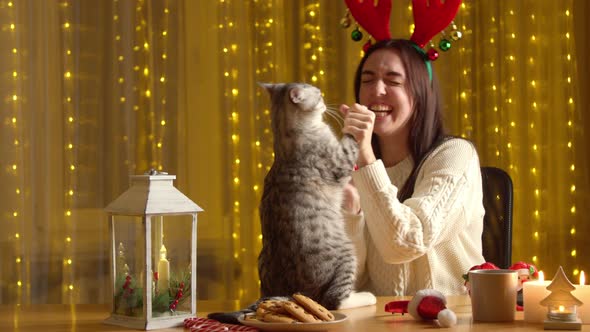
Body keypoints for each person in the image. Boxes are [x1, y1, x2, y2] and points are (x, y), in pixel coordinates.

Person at [340, 39, 485, 296]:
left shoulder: (455, 155)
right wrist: (350, 215)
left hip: (450, 320)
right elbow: (346, 286)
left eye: (393, 81)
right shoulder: (354, 169)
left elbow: (406, 243)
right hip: (377, 322)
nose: (377, 90)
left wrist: (365, 157)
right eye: (367, 80)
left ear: (420, 91)